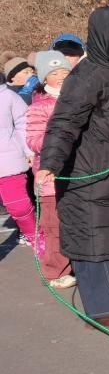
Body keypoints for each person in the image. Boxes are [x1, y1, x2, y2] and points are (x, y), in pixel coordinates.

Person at [36, 6, 109, 333]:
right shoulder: (87, 76)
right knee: (93, 237)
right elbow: (63, 123)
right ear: (108, 39)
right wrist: (50, 162)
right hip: (86, 176)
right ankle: (99, 311)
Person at [25, 50, 75, 288]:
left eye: (65, 71)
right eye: (55, 73)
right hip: (51, 179)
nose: (61, 76)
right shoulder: (38, 106)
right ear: (45, 78)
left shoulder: (78, 100)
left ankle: (77, 265)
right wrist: (59, 141)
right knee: (54, 226)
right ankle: (56, 272)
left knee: (75, 224)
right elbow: (33, 140)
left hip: (77, 174)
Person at [0, 76, 35, 252]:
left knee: (20, 207)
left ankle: (37, 240)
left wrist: (29, 151)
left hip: (8, 163)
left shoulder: (8, 96)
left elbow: (23, 123)